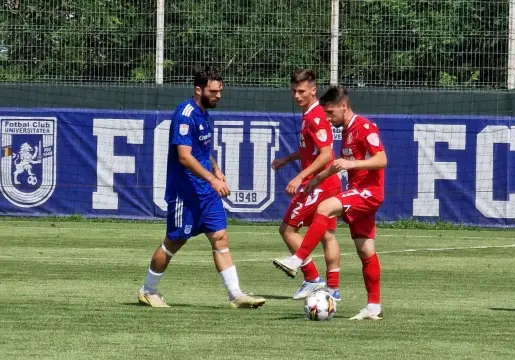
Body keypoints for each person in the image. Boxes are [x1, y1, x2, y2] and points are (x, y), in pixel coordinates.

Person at [138, 66, 266, 309]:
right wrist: (213, 179)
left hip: (206, 193)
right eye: (213, 91)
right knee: (174, 242)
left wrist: (216, 169)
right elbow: (185, 157)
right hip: (185, 193)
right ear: (198, 89)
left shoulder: (204, 113)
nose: (218, 95)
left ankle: (236, 295)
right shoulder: (185, 114)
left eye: (220, 91)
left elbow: (202, 151)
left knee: (220, 237)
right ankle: (147, 290)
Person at [273, 86, 387, 320]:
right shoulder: (346, 131)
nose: (328, 117)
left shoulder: (365, 126)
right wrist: (317, 179)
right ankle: (374, 307)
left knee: (324, 209)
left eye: (331, 112)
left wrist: (352, 164)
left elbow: (381, 159)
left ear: (343, 106)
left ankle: (297, 261)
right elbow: (336, 163)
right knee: (366, 251)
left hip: (368, 192)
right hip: (358, 192)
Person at [271, 69, 342, 300]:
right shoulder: (309, 115)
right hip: (327, 182)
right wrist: (288, 159)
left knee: (288, 228)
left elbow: (326, 155)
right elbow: (310, 151)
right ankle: (333, 289)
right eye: (293, 91)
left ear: (314, 90)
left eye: (301, 91)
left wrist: (300, 176)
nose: (297, 95)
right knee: (328, 236)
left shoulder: (316, 117)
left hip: (318, 184)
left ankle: (312, 278)